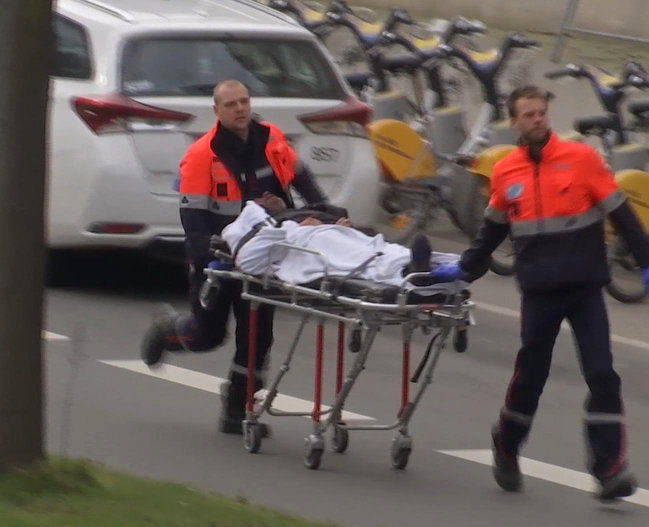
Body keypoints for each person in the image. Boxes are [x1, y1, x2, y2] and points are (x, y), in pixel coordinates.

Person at [430, 85, 649, 501]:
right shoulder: (506, 172)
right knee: (531, 377)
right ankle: (506, 445)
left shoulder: (582, 160)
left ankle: (608, 469)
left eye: (542, 113)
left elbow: (622, 214)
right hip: (540, 292)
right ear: (515, 123)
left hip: (584, 287)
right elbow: (492, 232)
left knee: (602, 374)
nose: (538, 119)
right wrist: (465, 270)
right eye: (529, 115)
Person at [140, 80, 328, 435]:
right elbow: (193, 220)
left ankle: (236, 410)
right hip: (219, 259)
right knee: (208, 335)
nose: (240, 109)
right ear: (217, 111)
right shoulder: (201, 156)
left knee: (258, 338)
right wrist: (206, 259)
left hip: (263, 256)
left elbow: (303, 180)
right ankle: (166, 332)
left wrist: (324, 212)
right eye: (231, 104)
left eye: (244, 102)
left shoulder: (269, 138)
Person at [219, 194, 451, 285]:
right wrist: (292, 229)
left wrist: (335, 225)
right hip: (307, 245)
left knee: (379, 247)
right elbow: (248, 260)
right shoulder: (263, 227)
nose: (268, 195)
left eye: (271, 192)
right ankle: (409, 274)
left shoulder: (307, 210)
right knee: (355, 256)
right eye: (261, 198)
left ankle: (450, 268)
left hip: (333, 234)